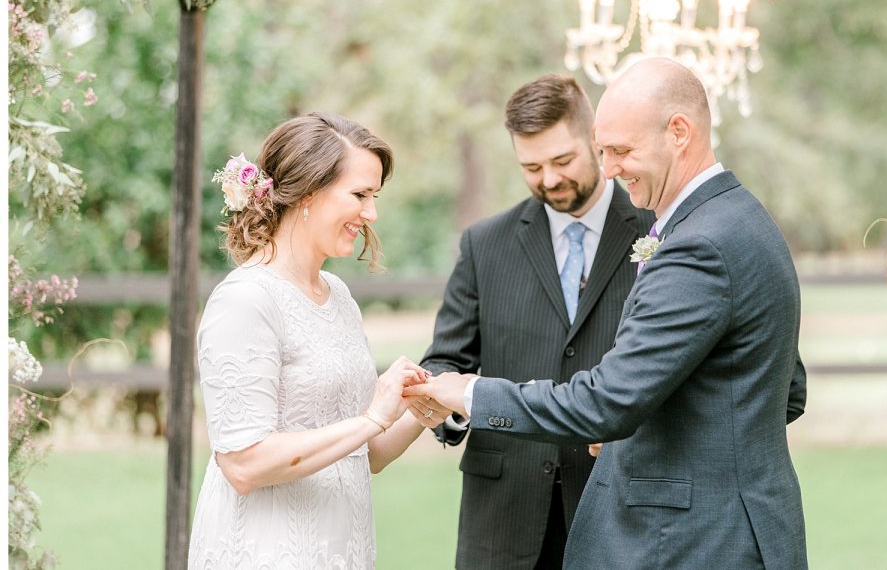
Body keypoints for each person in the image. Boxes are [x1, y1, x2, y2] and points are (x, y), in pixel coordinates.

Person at [405, 59, 809, 569]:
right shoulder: (741, 217)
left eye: (620, 151)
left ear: (678, 132)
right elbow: (784, 391)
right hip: (711, 528)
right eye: (605, 151)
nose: (612, 168)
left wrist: (469, 392)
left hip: (702, 539)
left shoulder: (696, 244)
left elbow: (609, 402)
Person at [188, 112, 446, 569]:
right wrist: (372, 418)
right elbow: (244, 465)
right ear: (308, 192)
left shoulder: (339, 296)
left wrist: (416, 412)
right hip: (265, 552)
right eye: (360, 195)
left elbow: (363, 455)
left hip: (340, 550)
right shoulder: (246, 301)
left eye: (375, 196)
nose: (372, 214)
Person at [417, 73, 653, 569]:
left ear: (595, 138)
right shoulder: (485, 245)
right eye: (532, 167)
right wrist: (459, 405)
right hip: (503, 522)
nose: (548, 179)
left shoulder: (657, 231)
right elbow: (443, 362)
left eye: (562, 161)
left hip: (619, 510)